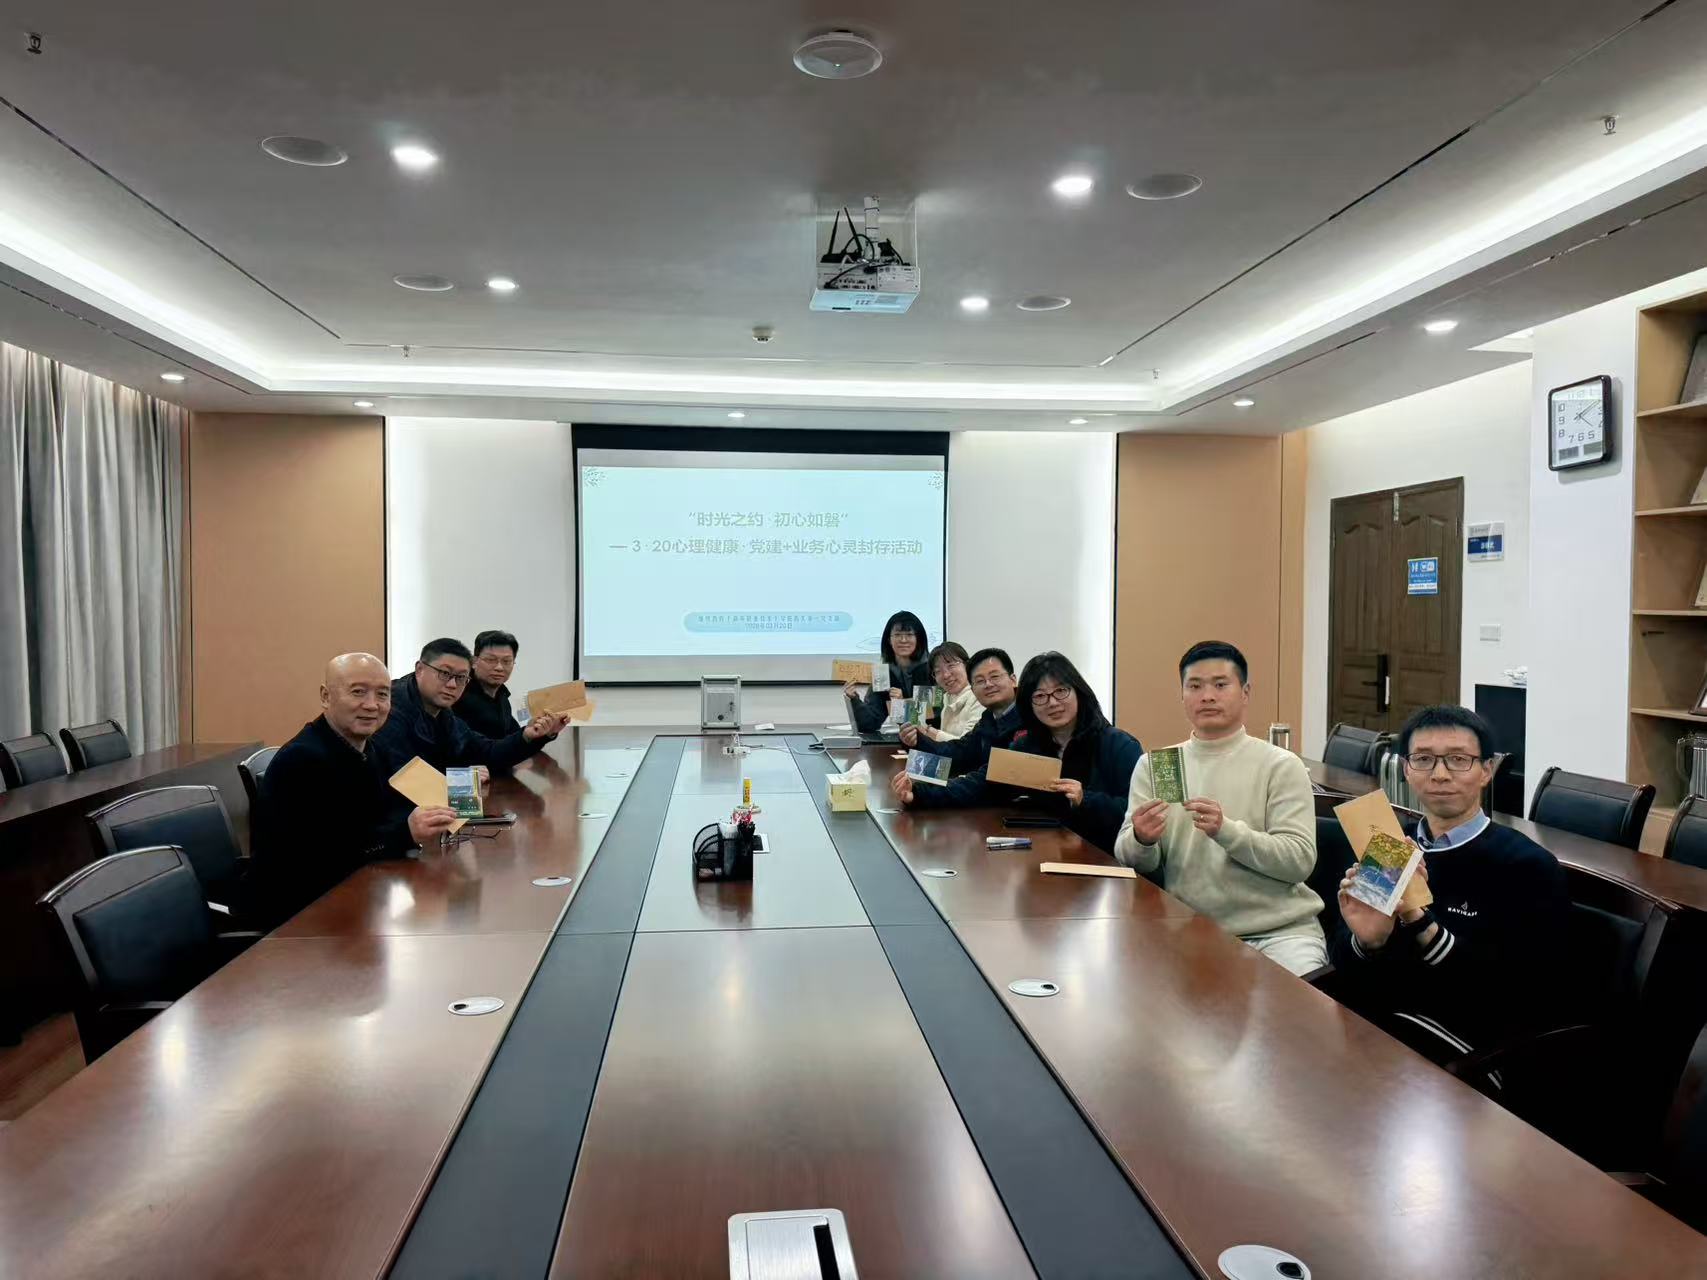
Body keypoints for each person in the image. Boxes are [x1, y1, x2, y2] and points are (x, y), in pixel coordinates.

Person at [1327, 704, 1569, 1054]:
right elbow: (1346, 968)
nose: (1439, 774)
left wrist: (1420, 923)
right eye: (1423, 759)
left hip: (1467, 1051)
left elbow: (1519, 996)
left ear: (1487, 770)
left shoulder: (1528, 867)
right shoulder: (1391, 847)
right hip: (1378, 1032)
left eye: (1458, 760)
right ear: (1406, 769)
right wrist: (1368, 943)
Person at [1114, 641, 1324, 976]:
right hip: (1192, 930)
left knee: (1297, 1005)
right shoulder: (1162, 765)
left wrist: (1227, 832)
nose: (1207, 696)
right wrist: (1142, 840)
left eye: (1220, 685)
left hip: (1279, 933)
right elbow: (1132, 858)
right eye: (1195, 686)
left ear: (1245, 692)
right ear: (1182, 695)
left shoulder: (1280, 765)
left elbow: (1298, 862)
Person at [254, 653, 460, 923]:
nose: (372, 705)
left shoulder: (369, 748)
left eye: (383, 694)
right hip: (303, 915)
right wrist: (406, 832)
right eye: (358, 692)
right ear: (326, 696)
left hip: (358, 895)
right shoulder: (304, 759)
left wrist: (429, 817)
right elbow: (326, 855)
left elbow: (385, 813)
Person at [893, 651, 1142, 854]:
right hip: (1048, 858)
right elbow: (982, 783)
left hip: (1106, 865)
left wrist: (1085, 799)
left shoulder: (1118, 745)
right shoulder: (1027, 745)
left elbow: (1137, 814)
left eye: (1061, 691)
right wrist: (919, 794)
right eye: (1040, 696)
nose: (1052, 702)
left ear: (1079, 692)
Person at [369, 637, 568, 777]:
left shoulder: (443, 713)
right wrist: (460, 777)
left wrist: (529, 736)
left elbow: (486, 751)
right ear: (420, 669)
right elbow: (402, 776)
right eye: (444, 674)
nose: (452, 685)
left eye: (461, 677)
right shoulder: (391, 707)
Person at [899, 646, 1023, 774]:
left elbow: (986, 773)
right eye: (980, 681)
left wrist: (927, 732)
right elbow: (960, 750)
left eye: (994, 676)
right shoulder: (988, 717)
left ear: (1013, 680)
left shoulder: (1026, 719)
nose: (988, 684)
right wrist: (917, 740)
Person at [844, 610, 932, 733]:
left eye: (909, 634)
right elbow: (869, 724)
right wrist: (854, 699)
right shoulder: (883, 673)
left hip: (934, 740)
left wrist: (902, 704)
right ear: (889, 640)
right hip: (906, 740)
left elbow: (930, 720)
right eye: (897, 635)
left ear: (919, 638)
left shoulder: (931, 669)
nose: (903, 640)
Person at [899, 642, 982, 745]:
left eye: (951, 666)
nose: (946, 675)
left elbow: (968, 746)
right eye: (938, 671)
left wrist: (927, 731)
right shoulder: (948, 697)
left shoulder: (979, 697)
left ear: (967, 665)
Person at [453, 629, 523, 739]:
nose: (499, 668)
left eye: (506, 661)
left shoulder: (502, 696)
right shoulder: (458, 694)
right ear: (474, 662)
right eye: (491, 660)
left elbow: (516, 735)